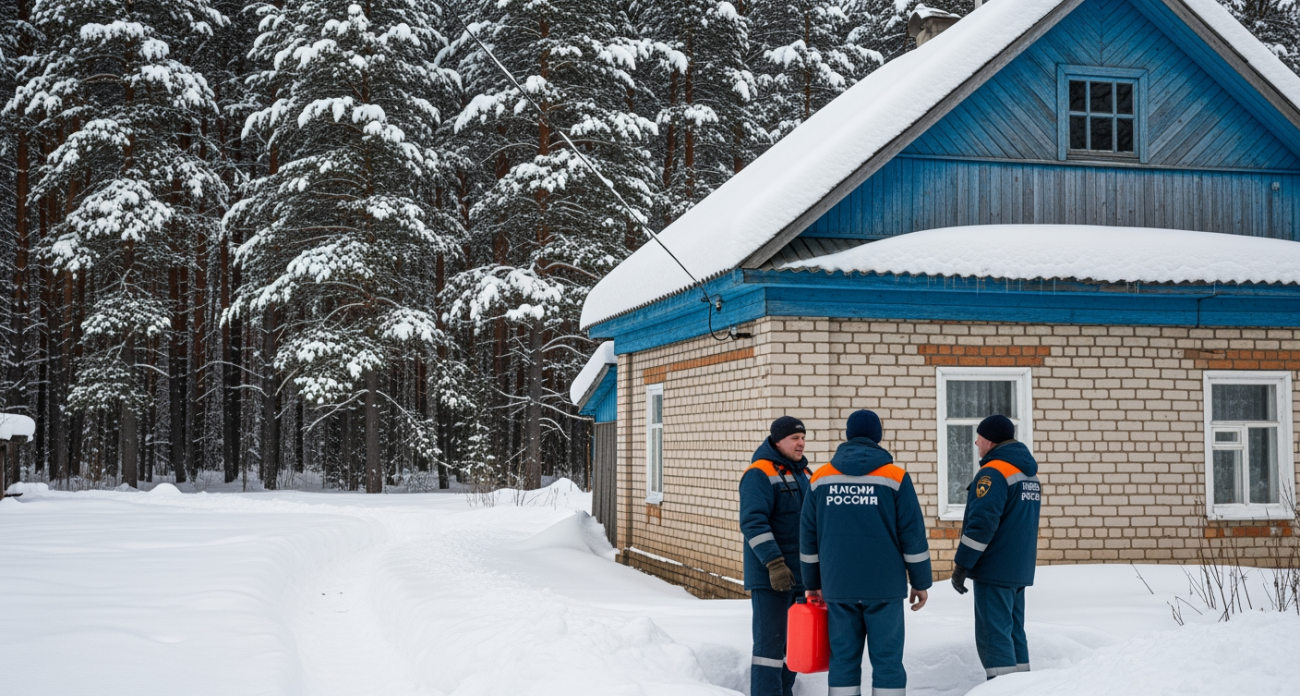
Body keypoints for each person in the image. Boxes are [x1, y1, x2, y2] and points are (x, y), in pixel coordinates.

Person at [800, 410, 932, 696]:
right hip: (884, 587)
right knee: (887, 661)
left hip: (838, 585)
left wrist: (812, 583)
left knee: (843, 660)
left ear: (847, 435)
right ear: (878, 437)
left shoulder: (820, 478)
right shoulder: (895, 477)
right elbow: (912, 535)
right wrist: (921, 581)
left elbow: (808, 538)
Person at [949, 414, 1042, 680]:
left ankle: (1001, 687)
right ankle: (1022, 685)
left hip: (995, 568)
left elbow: (981, 525)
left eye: (978, 437)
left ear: (989, 440)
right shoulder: (1027, 473)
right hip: (1019, 568)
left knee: (995, 635)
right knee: (1013, 631)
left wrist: (963, 564)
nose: (976, 442)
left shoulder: (993, 472)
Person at [740, 416, 813, 696]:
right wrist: (774, 563)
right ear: (778, 440)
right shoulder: (759, 473)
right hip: (770, 576)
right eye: (795, 438)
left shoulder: (805, 474)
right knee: (769, 648)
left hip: (800, 576)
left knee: (793, 646)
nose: (801, 443)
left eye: (803, 437)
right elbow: (753, 522)